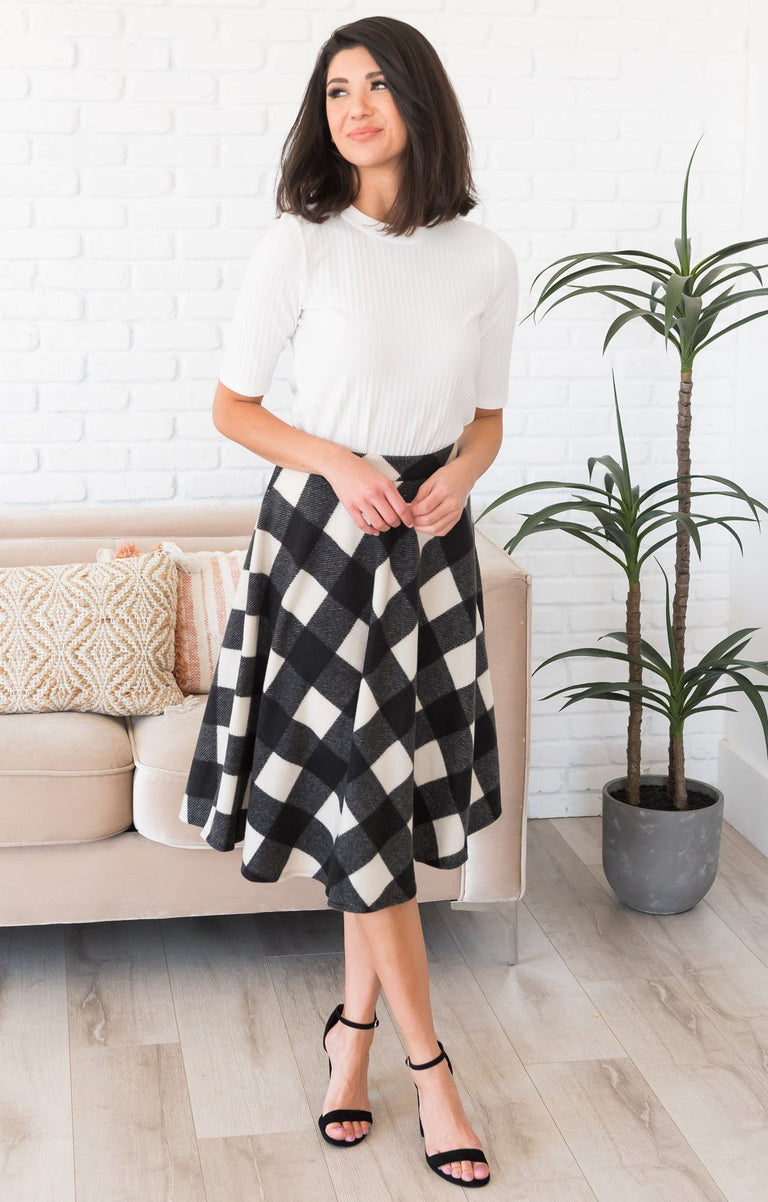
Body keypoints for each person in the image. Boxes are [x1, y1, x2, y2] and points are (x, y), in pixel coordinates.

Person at [180, 15, 518, 1189]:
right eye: (335, 90)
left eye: (375, 85)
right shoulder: (302, 243)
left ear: (420, 102)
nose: (354, 107)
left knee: (373, 801)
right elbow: (232, 407)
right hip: (325, 537)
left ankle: (351, 1036)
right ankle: (431, 1069)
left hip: (428, 541)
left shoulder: (483, 259)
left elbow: (485, 419)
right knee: (358, 797)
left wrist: (461, 476)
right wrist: (337, 461)